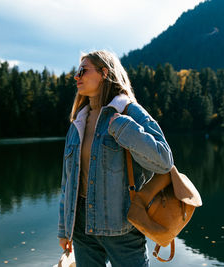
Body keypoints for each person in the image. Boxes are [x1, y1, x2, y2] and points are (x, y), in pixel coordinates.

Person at [58, 50, 173, 267]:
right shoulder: (78, 122)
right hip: (82, 228)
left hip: (122, 227)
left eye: (83, 70)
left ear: (104, 72)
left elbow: (164, 160)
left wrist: (123, 127)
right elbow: (68, 182)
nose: (76, 76)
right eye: (76, 72)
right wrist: (64, 229)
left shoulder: (129, 111)